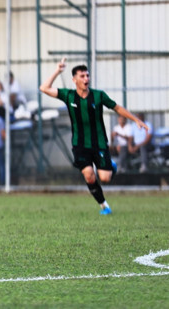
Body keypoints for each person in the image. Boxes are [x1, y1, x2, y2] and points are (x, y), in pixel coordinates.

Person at [39, 58, 146, 215]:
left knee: (105, 178)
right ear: (74, 80)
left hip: (99, 142)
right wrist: (57, 71)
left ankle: (110, 165)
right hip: (80, 145)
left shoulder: (98, 95)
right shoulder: (68, 95)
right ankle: (104, 206)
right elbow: (44, 88)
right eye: (82, 76)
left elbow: (117, 108)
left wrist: (135, 119)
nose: (86, 79)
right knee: (89, 175)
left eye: (87, 76)